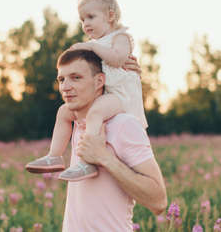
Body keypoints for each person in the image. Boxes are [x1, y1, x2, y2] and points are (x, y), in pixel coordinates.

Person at [26, 0, 147, 181]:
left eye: (91, 17)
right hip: (105, 94)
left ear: (110, 16)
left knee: (95, 113)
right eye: (82, 20)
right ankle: (54, 156)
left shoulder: (120, 37)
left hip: (121, 96)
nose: (85, 24)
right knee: (64, 111)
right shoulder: (95, 44)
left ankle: (87, 162)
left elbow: (118, 59)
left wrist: (91, 47)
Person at [56, 48, 167, 231]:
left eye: (76, 77)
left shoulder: (123, 124)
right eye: (61, 79)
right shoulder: (75, 125)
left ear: (100, 81)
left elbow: (159, 201)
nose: (66, 87)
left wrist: (104, 157)